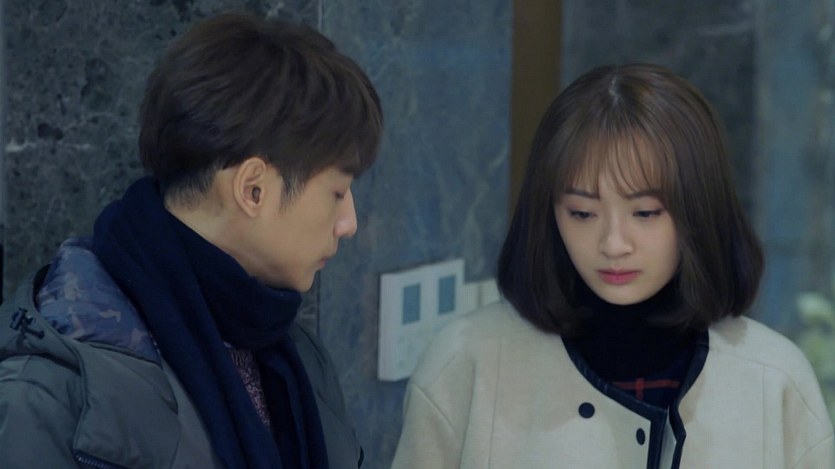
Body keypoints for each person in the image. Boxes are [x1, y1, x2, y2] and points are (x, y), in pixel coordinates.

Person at [391, 64, 834, 468]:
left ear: (699, 211)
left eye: (646, 213)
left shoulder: (775, 379)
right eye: (582, 213)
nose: (613, 244)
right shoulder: (467, 362)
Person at [0, 12, 382, 469]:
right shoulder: (49, 400)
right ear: (253, 189)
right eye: (337, 193)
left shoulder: (297, 360)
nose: (348, 223)